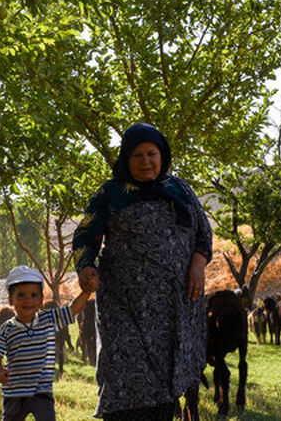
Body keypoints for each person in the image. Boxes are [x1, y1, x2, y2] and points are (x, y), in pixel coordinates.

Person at [72, 123, 212, 419]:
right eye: (137, 155)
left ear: (163, 156)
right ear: (125, 158)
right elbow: (85, 237)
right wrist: (86, 267)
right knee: (125, 380)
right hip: (124, 309)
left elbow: (203, 231)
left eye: (152, 153)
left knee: (165, 387)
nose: (145, 161)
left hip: (176, 310)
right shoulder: (110, 194)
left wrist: (198, 263)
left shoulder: (179, 190)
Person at [0, 265, 93, 421]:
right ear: (11, 299)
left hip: (42, 392)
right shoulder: (6, 329)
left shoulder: (49, 319)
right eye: (21, 295)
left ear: (41, 299)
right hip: (15, 393)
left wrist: (86, 292)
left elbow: (72, 310)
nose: (28, 300)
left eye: (33, 295)